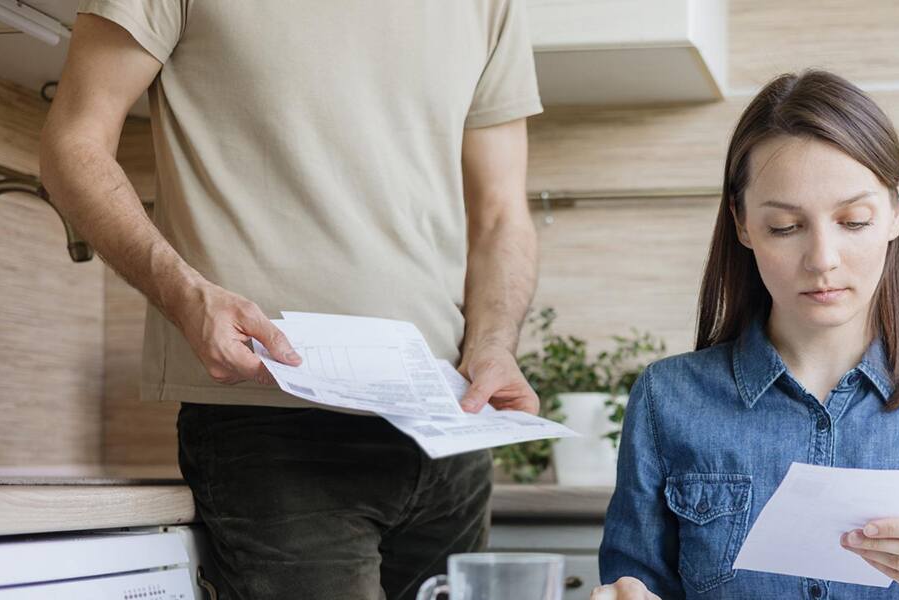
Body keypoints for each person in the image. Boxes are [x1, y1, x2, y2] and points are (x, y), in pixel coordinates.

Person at [39, 2, 542, 598]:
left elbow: (502, 214)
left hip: (448, 421)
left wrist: (492, 342)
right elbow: (72, 143)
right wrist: (187, 294)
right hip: (271, 422)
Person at [591, 70, 899, 599]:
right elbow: (629, 585)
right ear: (742, 223)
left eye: (853, 221)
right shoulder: (667, 399)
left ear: (897, 210)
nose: (822, 261)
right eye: (785, 227)